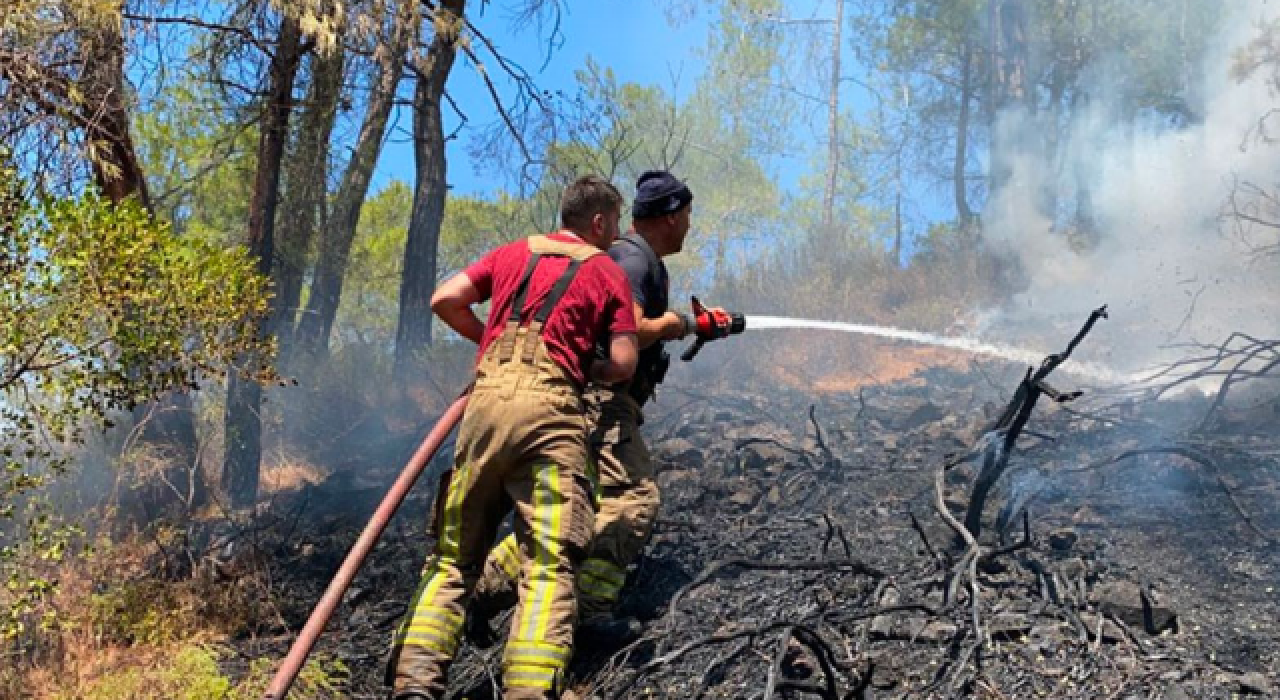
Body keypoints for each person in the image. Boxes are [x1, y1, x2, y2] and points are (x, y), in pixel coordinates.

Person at [388, 175, 639, 700]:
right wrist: (574, 363)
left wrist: (489, 340)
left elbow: (445, 299)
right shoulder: (606, 271)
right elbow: (622, 364)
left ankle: (415, 686)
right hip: (550, 419)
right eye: (614, 224)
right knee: (548, 567)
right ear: (597, 222)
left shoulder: (509, 254)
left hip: (483, 414)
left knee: (453, 556)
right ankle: (528, 693)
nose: (616, 235)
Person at [468, 170, 735, 644]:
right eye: (688, 216)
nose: (690, 226)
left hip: (589, 403)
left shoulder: (634, 256)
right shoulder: (632, 258)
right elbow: (632, 326)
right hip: (604, 403)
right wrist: (676, 324)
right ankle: (589, 609)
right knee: (633, 499)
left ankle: (479, 590)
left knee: (572, 510)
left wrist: (695, 325)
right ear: (670, 216)